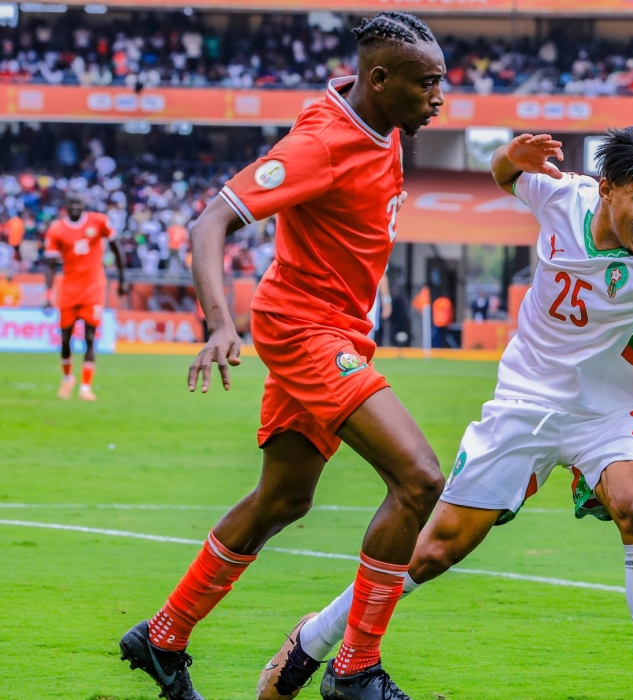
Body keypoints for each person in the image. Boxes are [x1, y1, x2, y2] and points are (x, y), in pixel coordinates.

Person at [259, 126, 633, 700]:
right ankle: (315, 637)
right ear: (607, 189)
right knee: (432, 552)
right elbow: (505, 176)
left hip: (609, 407)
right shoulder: (564, 195)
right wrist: (507, 156)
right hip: (526, 399)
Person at [118, 12, 447, 700]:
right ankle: (355, 666)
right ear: (379, 81)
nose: (439, 99)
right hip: (306, 332)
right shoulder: (322, 143)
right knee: (418, 478)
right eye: (427, 85)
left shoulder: (379, 121)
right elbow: (212, 219)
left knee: (284, 498)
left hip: (339, 330)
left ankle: (163, 635)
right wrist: (217, 323)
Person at [43, 192, 127, 401]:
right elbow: (50, 266)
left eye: (78, 203)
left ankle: (85, 387)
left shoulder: (98, 222)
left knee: (90, 338)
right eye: (71, 203)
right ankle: (67, 378)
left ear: (84, 205)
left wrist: (122, 278)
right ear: (65, 206)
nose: (75, 207)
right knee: (65, 339)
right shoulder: (56, 230)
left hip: (93, 288)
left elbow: (117, 247)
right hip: (69, 289)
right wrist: (48, 294)